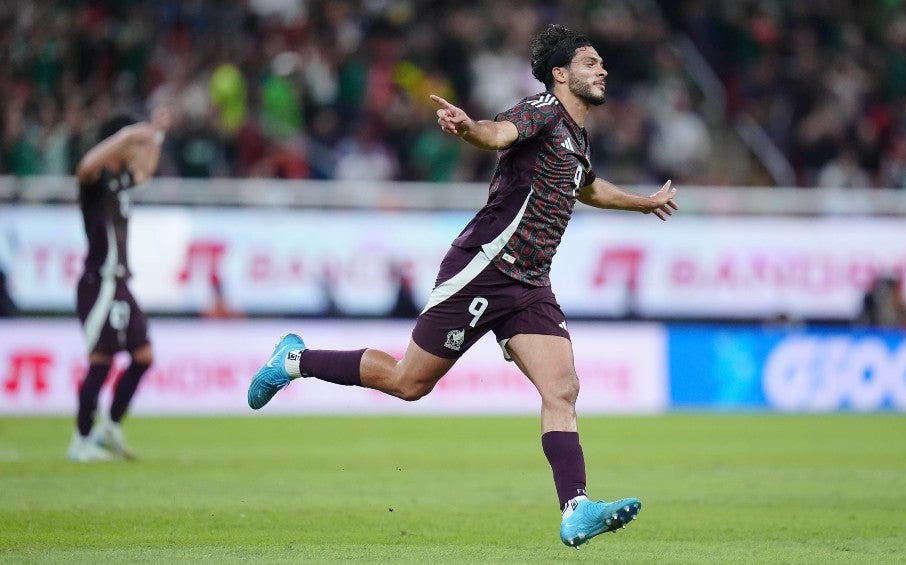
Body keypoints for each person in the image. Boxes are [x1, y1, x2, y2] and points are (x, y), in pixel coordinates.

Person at [247, 24, 678, 548]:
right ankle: (292, 361)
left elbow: (588, 188)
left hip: (531, 283)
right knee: (409, 383)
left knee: (562, 389)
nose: (602, 69)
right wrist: (468, 126)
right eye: (590, 63)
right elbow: (498, 134)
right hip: (486, 266)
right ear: (561, 75)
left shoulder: (577, 137)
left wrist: (643, 202)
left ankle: (576, 509)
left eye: (601, 62)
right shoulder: (541, 110)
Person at [69, 106, 173, 462]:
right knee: (102, 359)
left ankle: (108, 427)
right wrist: (126, 137)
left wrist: (156, 134)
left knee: (143, 356)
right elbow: (84, 166)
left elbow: (145, 171)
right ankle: (80, 441)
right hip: (98, 284)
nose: (137, 151)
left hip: (121, 284)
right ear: (120, 143)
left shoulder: (121, 180)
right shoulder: (95, 181)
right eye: (133, 144)